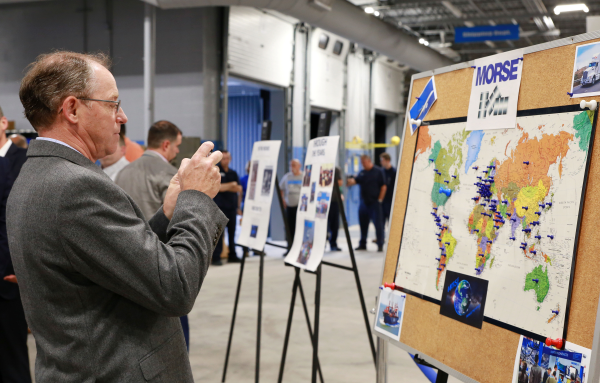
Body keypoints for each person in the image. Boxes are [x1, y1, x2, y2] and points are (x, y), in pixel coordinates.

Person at [8, 50, 227, 382]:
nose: (122, 117)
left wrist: (168, 214)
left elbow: (110, 260)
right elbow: (174, 287)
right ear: (72, 109)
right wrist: (195, 200)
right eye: (113, 104)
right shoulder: (75, 187)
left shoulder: (39, 174)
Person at [0, 106, 31, 383]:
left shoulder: (25, 159)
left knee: (13, 360)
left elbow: (23, 219)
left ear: (2, 122)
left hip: (10, 278)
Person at [116, 120, 182, 220]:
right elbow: (177, 215)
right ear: (166, 145)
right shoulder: (171, 174)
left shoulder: (122, 172)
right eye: (177, 146)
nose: (178, 151)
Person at [347, 155, 387, 252]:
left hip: (374, 203)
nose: (362, 164)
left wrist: (380, 200)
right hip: (363, 203)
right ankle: (362, 244)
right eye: (361, 163)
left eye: (364, 162)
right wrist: (347, 179)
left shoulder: (378, 171)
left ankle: (380, 244)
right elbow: (354, 181)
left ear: (369, 161)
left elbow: (383, 186)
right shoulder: (362, 172)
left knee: (378, 225)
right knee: (363, 225)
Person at [212, 150, 243, 265]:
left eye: (227, 158)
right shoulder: (216, 171)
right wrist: (231, 185)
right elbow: (216, 188)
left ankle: (232, 255)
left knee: (232, 232)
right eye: (224, 158)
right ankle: (216, 257)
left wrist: (227, 187)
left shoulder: (233, 173)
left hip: (232, 207)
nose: (226, 160)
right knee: (219, 234)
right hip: (219, 207)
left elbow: (239, 189)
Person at [279, 159, 303, 248]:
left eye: (294, 165)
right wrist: (283, 200)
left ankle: (298, 248)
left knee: (299, 228)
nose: (292, 167)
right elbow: (281, 189)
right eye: (291, 165)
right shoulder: (287, 177)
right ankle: (289, 247)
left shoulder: (303, 176)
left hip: (300, 207)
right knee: (289, 228)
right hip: (289, 207)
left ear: (299, 166)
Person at [327, 166, 342, 251]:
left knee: (334, 224)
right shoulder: (318, 167)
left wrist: (326, 182)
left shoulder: (335, 169)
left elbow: (339, 182)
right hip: (321, 200)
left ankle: (333, 244)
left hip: (334, 200)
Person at [379, 152, 396, 226]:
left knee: (391, 223)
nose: (381, 162)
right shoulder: (381, 172)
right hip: (382, 201)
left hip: (391, 201)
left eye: (382, 160)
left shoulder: (394, 172)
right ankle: (381, 238)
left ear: (388, 160)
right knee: (380, 222)